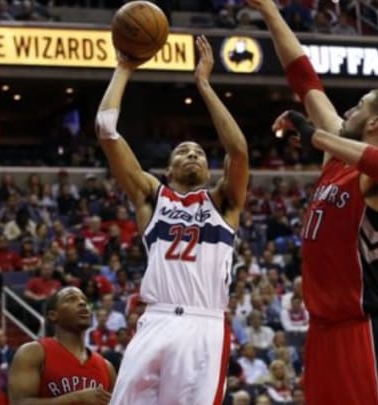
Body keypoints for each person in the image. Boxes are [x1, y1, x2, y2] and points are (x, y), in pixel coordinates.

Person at [249, 0, 378, 402]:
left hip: (366, 329)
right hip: (322, 330)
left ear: (375, 123)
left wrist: (315, 136)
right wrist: (269, 11)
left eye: (358, 107)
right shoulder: (339, 155)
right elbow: (305, 80)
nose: (347, 110)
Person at [96, 36, 249, 405]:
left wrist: (204, 85)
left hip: (204, 323)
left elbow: (238, 150)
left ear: (210, 171)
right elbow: (106, 130)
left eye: (199, 152)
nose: (193, 154)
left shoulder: (224, 202)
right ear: (167, 169)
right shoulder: (152, 196)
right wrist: (123, 69)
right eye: (183, 151)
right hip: (157, 319)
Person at [8, 287, 115, 404]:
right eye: (71, 299)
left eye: (84, 300)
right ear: (53, 315)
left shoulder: (106, 367)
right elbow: (19, 403)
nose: (82, 303)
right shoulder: (33, 352)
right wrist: (75, 398)